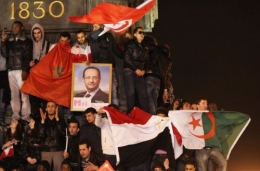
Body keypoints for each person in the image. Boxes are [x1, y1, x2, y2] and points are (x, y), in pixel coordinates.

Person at [1, 21, 33, 124]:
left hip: (21, 70)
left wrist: (25, 70)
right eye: (13, 27)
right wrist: (3, 41)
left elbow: (28, 57)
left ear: (22, 28)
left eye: (16, 26)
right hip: (11, 71)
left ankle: (26, 116)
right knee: (14, 95)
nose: (14, 28)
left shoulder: (27, 41)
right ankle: (16, 116)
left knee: (24, 95)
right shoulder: (9, 42)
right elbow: (5, 54)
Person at [88, 24, 123, 106]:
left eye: (95, 26)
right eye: (93, 27)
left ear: (100, 26)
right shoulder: (93, 36)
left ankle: (115, 111)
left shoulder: (109, 36)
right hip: (98, 67)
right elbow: (92, 37)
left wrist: (125, 57)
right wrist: (102, 29)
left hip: (110, 67)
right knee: (99, 90)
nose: (93, 28)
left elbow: (115, 49)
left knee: (113, 89)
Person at [195, 98, 227, 171]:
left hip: (212, 148)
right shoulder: (193, 116)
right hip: (201, 149)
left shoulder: (210, 115)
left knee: (223, 163)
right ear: (197, 105)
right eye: (203, 103)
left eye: (206, 104)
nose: (205, 105)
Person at [123, 26, 149, 114]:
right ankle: (130, 114)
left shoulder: (145, 46)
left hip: (140, 72)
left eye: (143, 33)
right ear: (135, 34)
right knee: (131, 93)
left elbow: (147, 60)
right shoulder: (130, 44)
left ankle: (144, 116)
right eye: (140, 32)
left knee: (143, 95)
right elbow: (126, 58)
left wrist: (144, 70)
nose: (142, 34)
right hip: (130, 71)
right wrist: (136, 69)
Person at [29, 23, 51, 118]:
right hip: (33, 75)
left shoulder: (48, 44)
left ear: (42, 33)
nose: (37, 35)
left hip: (44, 75)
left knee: (45, 98)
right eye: (35, 33)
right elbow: (25, 58)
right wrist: (29, 64)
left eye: (38, 33)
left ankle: (46, 117)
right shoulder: (30, 44)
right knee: (34, 98)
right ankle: (36, 118)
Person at [38, 101, 66, 171]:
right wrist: (43, 122)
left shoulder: (60, 121)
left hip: (58, 149)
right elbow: (40, 136)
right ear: (46, 109)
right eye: (49, 106)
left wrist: (57, 120)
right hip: (46, 149)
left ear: (56, 108)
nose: (50, 108)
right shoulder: (42, 121)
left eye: (52, 106)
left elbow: (63, 134)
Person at [142, 35, 162, 115]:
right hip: (157, 78)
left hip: (149, 76)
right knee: (154, 101)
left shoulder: (147, 49)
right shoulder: (158, 51)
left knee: (149, 99)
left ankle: (152, 117)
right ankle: (155, 117)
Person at [0, 39, 10, 126]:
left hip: (3, 72)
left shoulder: (3, 41)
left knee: (3, 98)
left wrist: (3, 42)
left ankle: (1, 118)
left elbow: (6, 54)